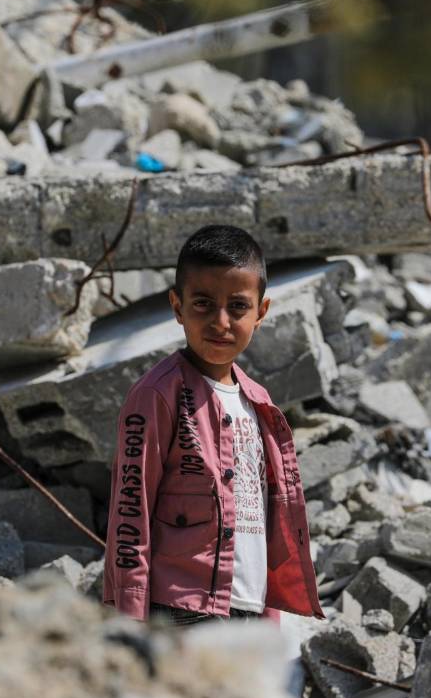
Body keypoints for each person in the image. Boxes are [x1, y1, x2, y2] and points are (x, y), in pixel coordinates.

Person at [101, 223, 325, 627]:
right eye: (202, 304)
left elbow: (269, 522)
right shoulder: (156, 396)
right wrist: (129, 619)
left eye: (238, 306)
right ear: (176, 306)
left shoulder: (260, 403)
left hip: (250, 608)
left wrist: (270, 616)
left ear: (261, 312)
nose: (221, 322)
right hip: (182, 610)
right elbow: (130, 513)